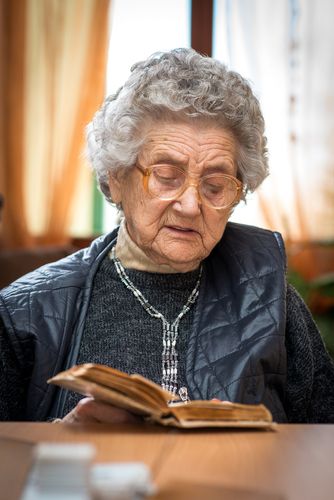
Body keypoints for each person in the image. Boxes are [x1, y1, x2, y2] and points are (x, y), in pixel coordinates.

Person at [1, 48, 333, 424]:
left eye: (215, 185)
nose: (191, 205)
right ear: (116, 177)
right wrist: (60, 442)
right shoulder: (25, 312)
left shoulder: (271, 296)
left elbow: (325, 440)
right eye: (166, 176)